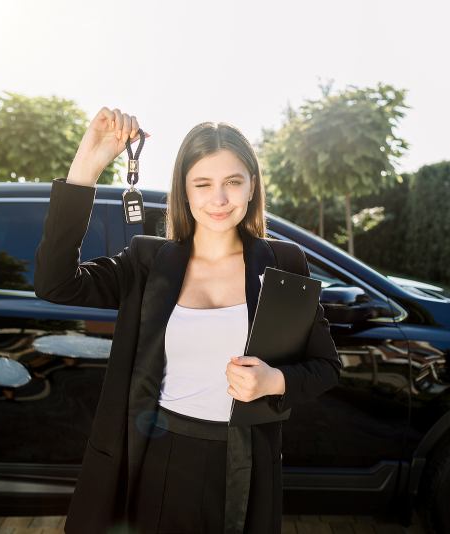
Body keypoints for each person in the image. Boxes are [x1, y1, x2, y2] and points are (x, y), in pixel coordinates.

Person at [34, 107, 342, 533]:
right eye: (203, 184)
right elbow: (55, 284)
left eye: (233, 182)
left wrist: (274, 381)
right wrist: (88, 165)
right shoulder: (147, 262)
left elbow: (327, 367)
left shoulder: (285, 264)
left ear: (252, 186)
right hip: (159, 456)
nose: (219, 199)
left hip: (247, 462)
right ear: (185, 191)